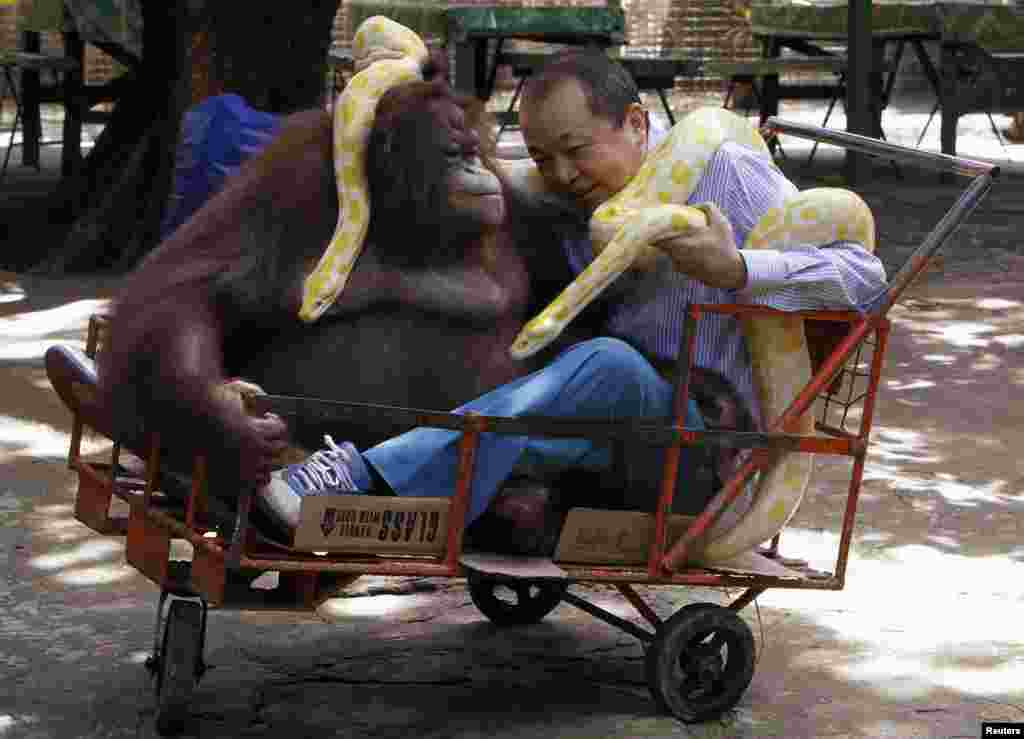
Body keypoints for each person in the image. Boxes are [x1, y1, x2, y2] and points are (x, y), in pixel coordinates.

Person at [257, 49, 887, 535]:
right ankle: (345, 481)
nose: (561, 174)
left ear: (637, 125)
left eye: (577, 150)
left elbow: (865, 278)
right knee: (500, 387)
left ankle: (360, 477)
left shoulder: (722, 171)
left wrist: (740, 268)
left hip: (708, 450)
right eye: (542, 156)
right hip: (614, 439)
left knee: (608, 364)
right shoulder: (568, 206)